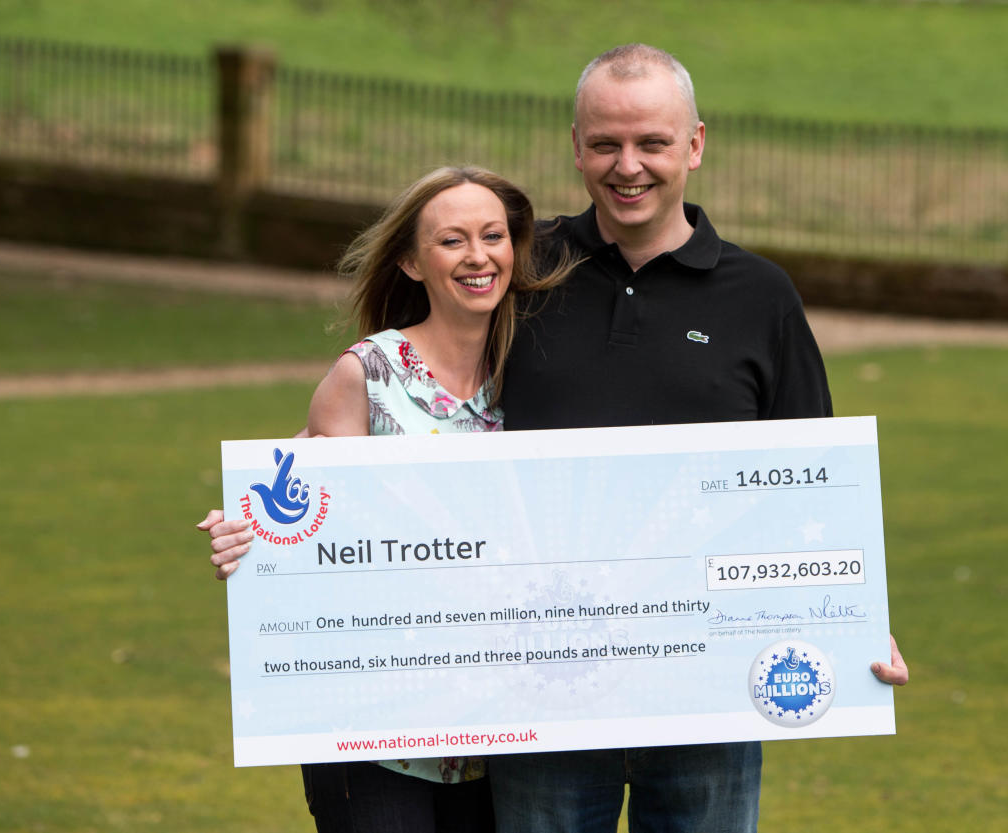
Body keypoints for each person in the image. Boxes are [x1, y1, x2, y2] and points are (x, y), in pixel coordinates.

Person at [203, 43, 908, 833]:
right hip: (541, 695)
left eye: (652, 143)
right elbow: (395, 397)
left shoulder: (761, 297)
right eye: (605, 143)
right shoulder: (523, 274)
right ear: (576, 147)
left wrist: (854, 619)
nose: (628, 165)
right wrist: (257, 518)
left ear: (696, 145)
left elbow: (813, 479)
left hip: (704, 691)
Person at [206, 164, 574, 833]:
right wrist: (245, 528)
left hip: (499, 732)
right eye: (452, 240)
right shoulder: (366, 376)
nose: (478, 256)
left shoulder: (540, 375)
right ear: (410, 260)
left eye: (493, 236)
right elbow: (300, 506)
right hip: (371, 729)